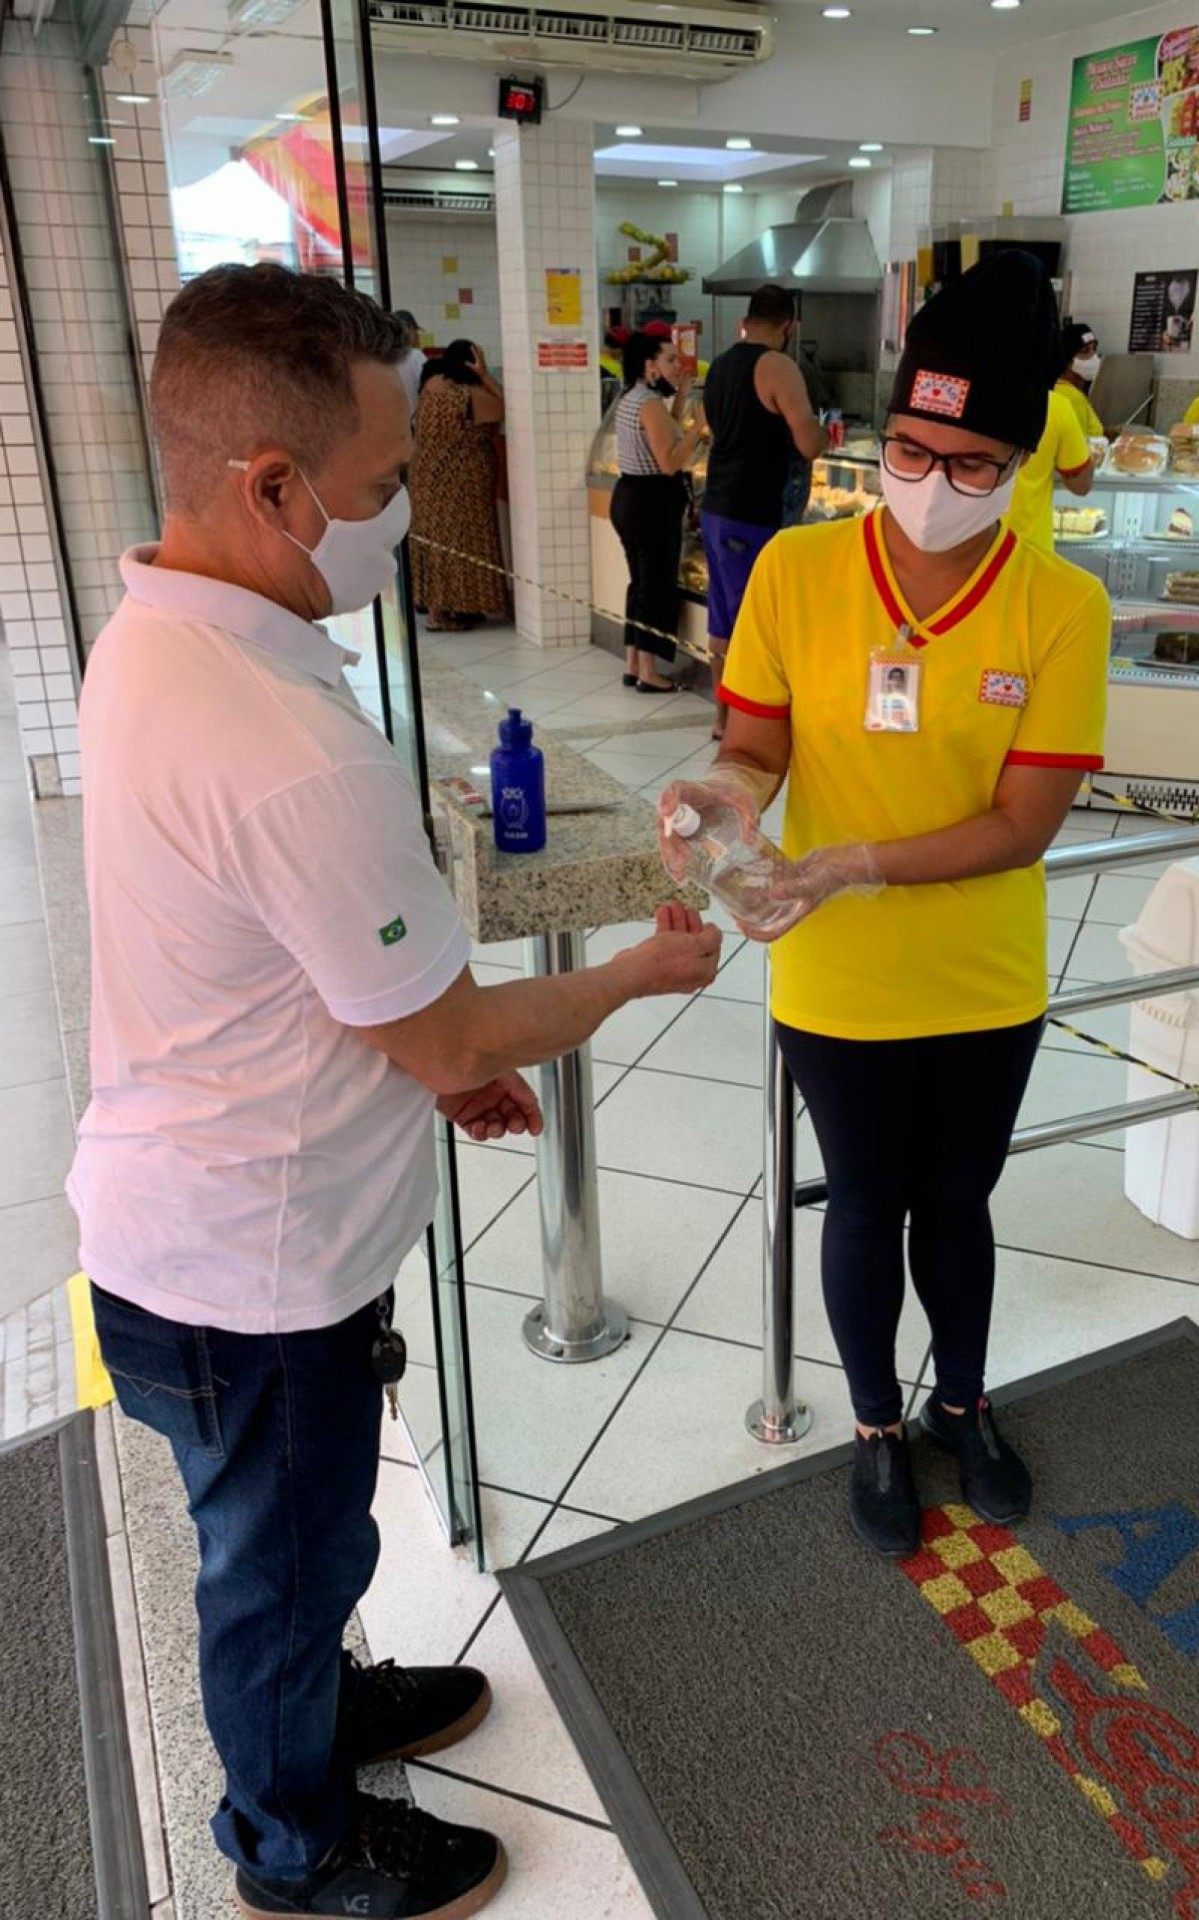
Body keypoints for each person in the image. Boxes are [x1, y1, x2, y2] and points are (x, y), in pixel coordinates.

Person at [69, 262, 722, 1920]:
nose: (390, 519)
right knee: (272, 1576)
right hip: (244, 1270)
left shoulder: (161, 633)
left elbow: (314, 986)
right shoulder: (277, 738)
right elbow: (450, 1034)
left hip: (229, 1221)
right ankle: (294, 1845)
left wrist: (417, 1078)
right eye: (372, 490)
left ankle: (321, 1713)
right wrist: (633, 975)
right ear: (271, 489)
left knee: (308, 1546)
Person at [660, 250, 1110, 1559]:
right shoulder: (797, 576)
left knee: (956, 1198)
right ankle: (870, 1427)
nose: (930, 484)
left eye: (968, 463)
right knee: (861, 1198)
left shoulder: (1056, 607)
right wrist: (724, 796)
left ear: (1018, 462)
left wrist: (852, 860)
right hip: (832, 969)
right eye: (912, 449)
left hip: (979, 970)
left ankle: (959, 1404)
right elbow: (751, 744)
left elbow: (1021, 825)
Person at [700, 283, 826, 736]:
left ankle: (723, 718)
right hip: (753, 512)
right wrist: (826, 433)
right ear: (788, 326)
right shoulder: (777, 365)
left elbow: (712, 430)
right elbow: (809, 443)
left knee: (724, 620)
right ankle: (749, 722)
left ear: (747, 319)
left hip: (716, 506)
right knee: (757, 622)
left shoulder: (718, 366)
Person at [609, 330, 706, 692]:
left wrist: (681, 395)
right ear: (649, 366)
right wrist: (700, 426)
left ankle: (633, 663)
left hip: (630, 498)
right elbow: (669, 461)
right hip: (651, 504)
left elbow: (666, 433)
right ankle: (649, 671)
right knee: (655, 585)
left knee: (640, 583)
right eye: (669, 360)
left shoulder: (633, 397)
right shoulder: (648, 403)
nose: (677, 365)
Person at [409, 338, 507, 632]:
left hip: (426, 476)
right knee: (461, 542)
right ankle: (443, 615)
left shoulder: (432, 386)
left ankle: (443, 609)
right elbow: (503, 409)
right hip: (460, 481)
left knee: (437, 542)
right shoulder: (468, 396)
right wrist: (486, 375)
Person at [1007, 377, 1094, 553]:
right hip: (1032, 551)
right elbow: (1081, 485)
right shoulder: (1055, 406)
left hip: (966, 555)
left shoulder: (962, 400)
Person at [1054, 321, 1105, 439]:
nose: (1094, 358)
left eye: (1094, 349)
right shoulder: (1072, 397)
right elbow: (1080, 442)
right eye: (1085, 351)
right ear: (1068, 359)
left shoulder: (1064, 389)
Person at [393, 307, 425, 416]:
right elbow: (427, 389)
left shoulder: (383, 358)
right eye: (415, 332)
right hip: (413, 422)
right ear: (410, 330)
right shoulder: (416, 356)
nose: (417, 336)